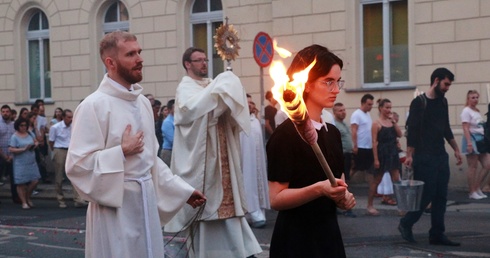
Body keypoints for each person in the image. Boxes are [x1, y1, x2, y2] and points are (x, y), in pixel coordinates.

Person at [65, 31, 206, 258]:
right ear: (110, 62)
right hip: (114, 210)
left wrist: (183, 191)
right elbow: (78, 166)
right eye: (130, 54)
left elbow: (150, 161)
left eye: (139, 52)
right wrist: (120, 152)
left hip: (145, 203)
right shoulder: (93, 106)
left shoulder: (141, 103)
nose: (139, 59)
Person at [164, 47, 262, 258]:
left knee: (230, 210)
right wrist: (218, 95)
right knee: (207, 212)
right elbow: (188, 113)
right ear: (187, 64)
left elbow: (225, 110)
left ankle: (238, 251)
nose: (204, 64)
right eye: (198, 60)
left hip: (223, 154)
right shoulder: (185, 88)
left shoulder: (211, 85)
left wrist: (225, 98)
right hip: (204, 160)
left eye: (206, 60)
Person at [267, 44, 356, 258]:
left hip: (328, 239)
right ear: (306, 84)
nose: (336, 90)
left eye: (338, 82)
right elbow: (276, 199)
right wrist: (319, 189)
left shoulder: (332, 133)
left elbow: (339, 183)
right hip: (296, 242)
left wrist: (344, 198)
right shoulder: (286, 135)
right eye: (328, 82)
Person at [398, 67, 462, 246]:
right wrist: (410, 155)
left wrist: (456, 149)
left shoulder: (443, 102)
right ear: (436, 81)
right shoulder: (419, 102)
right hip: (424, 157)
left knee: (441, 196)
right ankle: (406, 223)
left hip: (440, 155)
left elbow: (446, 128)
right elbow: (412, 131)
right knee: (426, 196)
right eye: (446, 84)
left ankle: (437, 234)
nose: (447, 88)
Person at [240, 94, 270, 228]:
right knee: (248, 182)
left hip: (257, 161)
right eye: (248, 103)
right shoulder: (239, 122)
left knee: (258, 184)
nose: (251, 105)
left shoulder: (255, 121)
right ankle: (250, 212)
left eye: (252, 102)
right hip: (245, 160)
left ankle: (258, 210)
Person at [368, 98, 402, 215]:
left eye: (390, 108)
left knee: (396, 180)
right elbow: (374, 142)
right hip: (382, 153)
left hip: (392, 152)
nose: (389, 110)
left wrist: (394, 122)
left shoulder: (391, 122)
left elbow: (400, 134)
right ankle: (370, 205)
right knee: (376, 180)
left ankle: (401, 206)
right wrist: (376, 159)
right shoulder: (376, 123)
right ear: (380, 108)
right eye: (387, 108)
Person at [49, 109, 87, 208]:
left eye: (71, 117)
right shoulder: (55, 127)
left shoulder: (73, 126)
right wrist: (55, 152)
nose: (71, 119)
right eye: (69, 117)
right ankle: (60, 199)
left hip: (71, 150)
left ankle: (77, 198)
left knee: (74, 174)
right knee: (59, 175)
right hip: (60, 149)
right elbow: (51, 141)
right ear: (63, 117)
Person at [461, 90, 489, 199]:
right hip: (472, 139)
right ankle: (472, 191)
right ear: (468, 99)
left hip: (481, 140)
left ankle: (477, 187)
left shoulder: (476, 111)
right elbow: (465, 128)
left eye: (477, 97)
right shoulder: (466, 111)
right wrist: (469, 143)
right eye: (473, 97)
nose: (475, 99)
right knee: (473, 166)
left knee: (487, 164)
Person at [8, 117, 41, 209]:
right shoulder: (14, 136)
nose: (23, 127)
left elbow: (36, 141)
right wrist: (23, 149)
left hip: (31, 161)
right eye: (21, 125)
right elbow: (11, 148)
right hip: (20, 161)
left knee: (35, 180)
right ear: (17, 126)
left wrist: (36, 144)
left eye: (25, 125)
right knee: (21, 182)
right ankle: (24, 201)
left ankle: (28, 196)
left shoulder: (30, 133)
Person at [332, 102, 356, 218]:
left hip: (347, 155)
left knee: (346, 180)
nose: (343, 112)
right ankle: (345, 206)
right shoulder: (334, 125)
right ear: (334, 112)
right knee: (342, 182)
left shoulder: (344, 124)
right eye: (340, 110)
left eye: (344, 110)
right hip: (340, 156)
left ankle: (339, 206)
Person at [350, 94, 374, 181]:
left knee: (369, 168)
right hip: (360, 146)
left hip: (368, 146)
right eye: (369, 104)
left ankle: (370, 187)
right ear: (363, 103)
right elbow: (354, 130)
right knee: (356, 167)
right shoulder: (357, 114)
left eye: (372, 104)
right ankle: (347, 183)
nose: (371, 107)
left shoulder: (367, 115)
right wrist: (355, 146)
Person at [0, 105, 18, 202]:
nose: (5, 113)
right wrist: (4, 156)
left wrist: (10, 156)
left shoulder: (13, 125)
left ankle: (15, 197)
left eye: (7, 111)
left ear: (10, 113)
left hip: (12, 155)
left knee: (13, 177)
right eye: (3, 111)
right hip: (1, 154)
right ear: (1, 112)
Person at [160, 99, 174, 166]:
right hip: (169, 151)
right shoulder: (167, 122)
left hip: (174, 150)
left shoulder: (177, 119)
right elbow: (172, 139)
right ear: (170, 109)